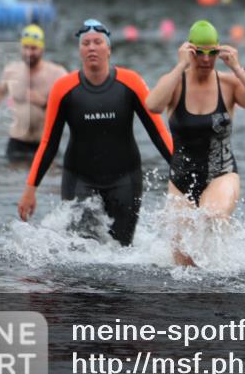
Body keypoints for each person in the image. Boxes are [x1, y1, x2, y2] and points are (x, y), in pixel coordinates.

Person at [17, 19, 173, 246]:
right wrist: (30, 190)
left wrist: (182, 170)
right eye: (86, 43)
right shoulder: (64, 89)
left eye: (98, 42)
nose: (91, 47)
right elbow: (48, 143)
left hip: (125, 180)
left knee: (122, 253)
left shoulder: (131, 83)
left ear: (108, 49)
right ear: (80, 51)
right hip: (78, 179)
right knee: (81, 252)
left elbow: (158, 133)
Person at [146, 20, 245, 266]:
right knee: (182, 262)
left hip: (222, 174)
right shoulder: (175, 83)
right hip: (181, 179)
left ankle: (221, 281)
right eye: (199, 53)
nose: (206, 59)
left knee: (212, 216)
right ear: (189, 51)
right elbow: (153, 105)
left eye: (212, 53)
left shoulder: (228, 85)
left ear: (219, 51)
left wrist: (238, 69)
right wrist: (181, 64)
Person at [0, 24, 67, 162]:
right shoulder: (12, 71)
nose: (29, 53)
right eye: (25, 47)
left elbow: (72, 104)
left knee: (50, 181)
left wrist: (45, 103)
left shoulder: (58, 74)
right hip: (17, 143)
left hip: (45, 143)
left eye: (33, 48)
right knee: (13, 181)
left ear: (42, 49)